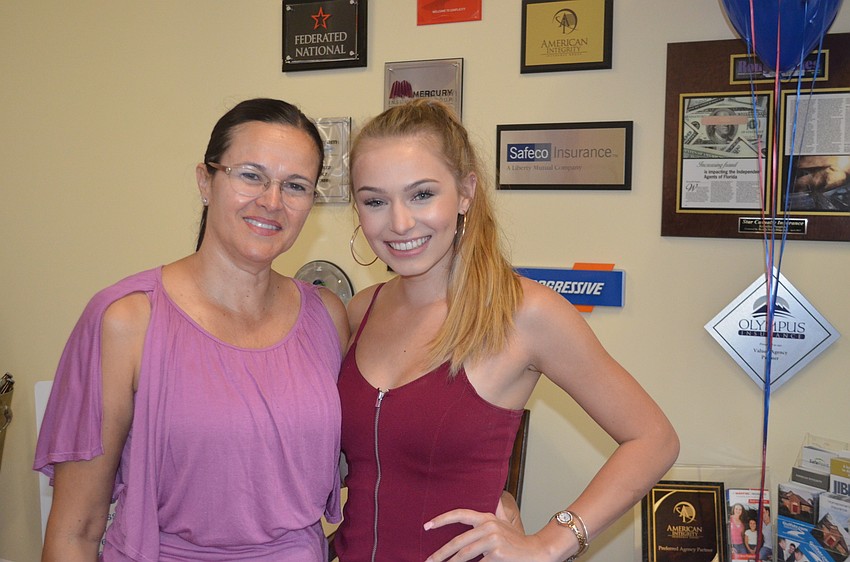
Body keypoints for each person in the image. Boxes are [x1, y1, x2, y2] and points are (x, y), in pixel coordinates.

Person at [335, 99, 679, 561]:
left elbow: (654, 439)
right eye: (375, 200)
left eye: (421, 194)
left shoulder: (523, 313)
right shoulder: (362, 311)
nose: (399, 223)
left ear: (465, 193)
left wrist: (551, 542)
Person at [33, 98, 349, 561]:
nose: (272, 200)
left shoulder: (326, 317)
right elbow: (73, 534)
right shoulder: (127, 322)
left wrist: (496, 500)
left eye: (295, 185)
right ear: (206, 181)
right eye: (250, 175)